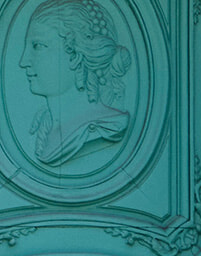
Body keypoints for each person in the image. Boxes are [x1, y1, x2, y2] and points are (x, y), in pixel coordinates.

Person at [19, 0, 131, 168]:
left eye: (38, 46)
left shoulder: (109, 126)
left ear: (76, 55)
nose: (23, 61)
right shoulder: (45, 127)